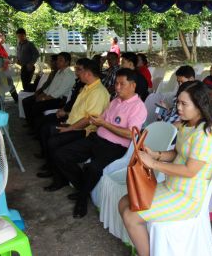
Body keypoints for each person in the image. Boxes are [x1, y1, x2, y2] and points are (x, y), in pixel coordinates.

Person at [119, 81, 212, 256]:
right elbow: (176, 153)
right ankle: (144, 245)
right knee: (124, 202)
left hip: (186, 197)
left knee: (131, 216)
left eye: (184, 104)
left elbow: (190, 171)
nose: (179, 108)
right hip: (170, 186)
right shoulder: (187, 125)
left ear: (199, 105)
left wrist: (154, 164)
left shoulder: (206, 134)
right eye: (178, 102)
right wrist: (155, 155)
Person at [50, 68, 147, 218]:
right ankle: (84, 188)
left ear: (133, 85)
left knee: (93, 168)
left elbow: (131, 134)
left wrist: (104, 124)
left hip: (116, 147)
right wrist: (96, 121)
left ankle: (82, 198)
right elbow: (102, 120)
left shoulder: (138, 107)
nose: (117, 87)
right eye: (116, 83)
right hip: (97, 138)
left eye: (122, 84)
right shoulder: (115, 101)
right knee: (61, 154)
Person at [36, 58, 110, 178]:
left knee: (52, 138)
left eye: (79, 70)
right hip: (73, 123)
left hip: (84, 130)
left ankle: (58, 176)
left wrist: (69, 129)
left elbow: (88, 120)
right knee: (46, 128)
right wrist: (66, 114)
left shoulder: (98, 92)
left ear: (88, 73)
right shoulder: (87, 87)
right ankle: (52, 167)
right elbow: (80, 111)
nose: (77, 73)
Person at [22, 52, 75, 127]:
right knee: (27, 101)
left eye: (60, 60)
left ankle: (36, 127)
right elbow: (51, 87)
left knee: (37, 106)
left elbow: (58, 92)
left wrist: (43, 98)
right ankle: (32, 125)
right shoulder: (59, 72)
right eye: (57, 60)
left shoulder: (69, 75)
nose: (57, 62)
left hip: (60, 100)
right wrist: (42, 95)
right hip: (52, 97)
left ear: (67, 62)